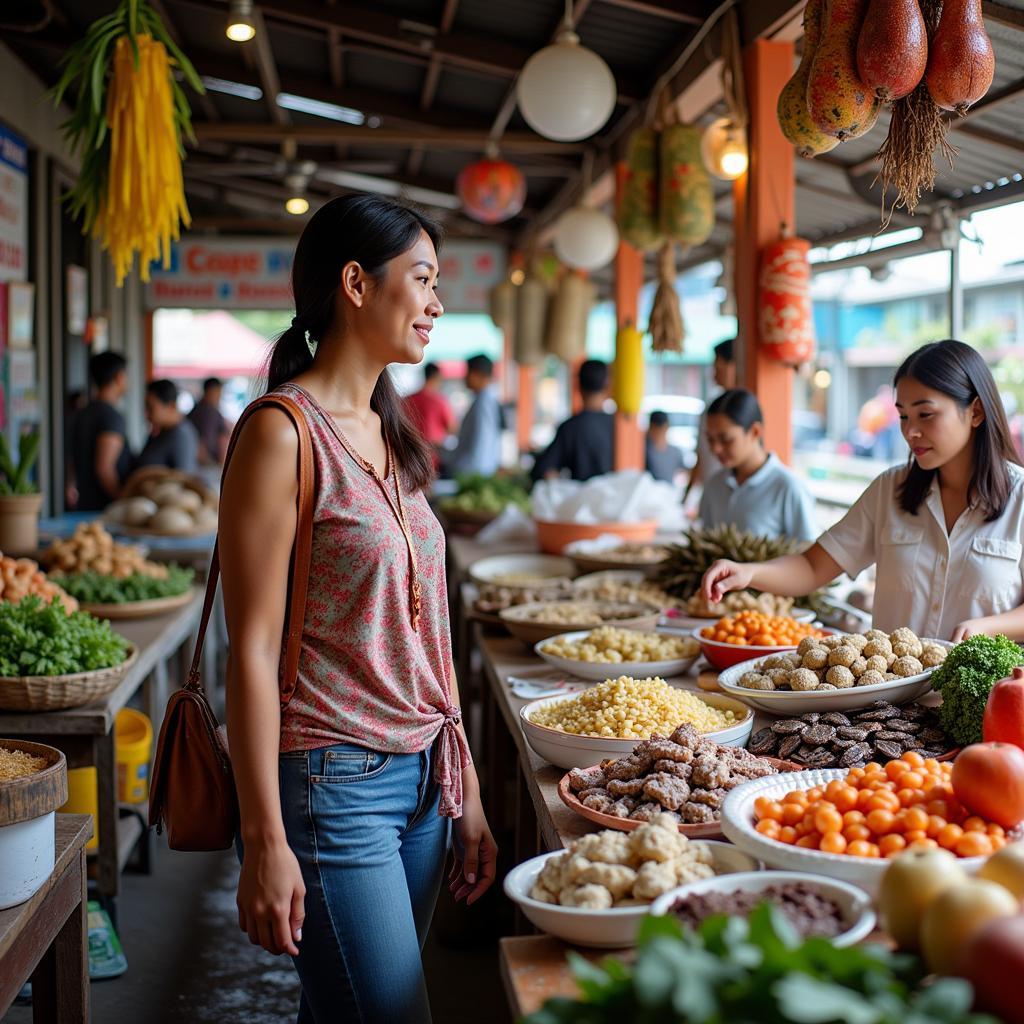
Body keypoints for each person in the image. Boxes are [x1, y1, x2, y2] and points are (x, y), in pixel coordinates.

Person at [218, 194, 496, 1024]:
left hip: (420, 788)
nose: (438, 304)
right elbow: (250, 650)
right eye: (423, 279)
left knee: (345, 1012)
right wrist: (265, 840)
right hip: (332, 787)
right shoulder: (281, 432)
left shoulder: (391, 432)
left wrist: (466, 786)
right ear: (355, 284)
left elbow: (428, 636)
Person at [701, 340, 1024, 642]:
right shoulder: (890, 490)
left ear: (976, 412)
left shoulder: (1020, 498)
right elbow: (812, 568)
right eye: (903, 416)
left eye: (926, 414)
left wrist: (986, 627)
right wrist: (747, 572)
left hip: (987, 699)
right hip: (892, 696)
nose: (910, 431)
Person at [698, 389, 819, 541]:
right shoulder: (714, 484)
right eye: (710, 439)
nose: (716, 448)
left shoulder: (788, 487)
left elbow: (809, 554)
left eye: (726, 439)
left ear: (755, 432)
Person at [530, 359, 614, 481]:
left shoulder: (570, 428)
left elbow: (542, 470)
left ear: (577, 386)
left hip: (580, 499)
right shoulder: (619, 428)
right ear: (608, 386)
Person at [69, 351, 132, 511]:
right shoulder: (111, 417)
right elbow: (104, 469)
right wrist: (124, 501)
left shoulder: (83, 412)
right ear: (119, 377)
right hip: (104, 509)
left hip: (84, 503)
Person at [682, 337, 737, 505]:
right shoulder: (710, 409)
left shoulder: (743, 413)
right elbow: (701, 456)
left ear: (732, 366)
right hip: (712, 495)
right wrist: (686, 497)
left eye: (717, 365)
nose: (713, 372)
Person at [446, 353, 502, 477]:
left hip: (473, 474)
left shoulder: (483, 402)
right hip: (475, 473)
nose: (465, 378)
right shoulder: (484, 399)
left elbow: (481, 443)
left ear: (478, 375)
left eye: (468, 373)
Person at [135, 379, 200, 472]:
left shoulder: (181, 435)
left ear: (171, 406)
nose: (146, 414)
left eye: (150, 408)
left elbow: (184, 478)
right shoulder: (161, 431)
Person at [403, 362, 454, 469]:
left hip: (408, 456)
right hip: (432, 458)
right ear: (436, 378)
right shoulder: (440, 401)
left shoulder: (407, 400)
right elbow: (452, 428)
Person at [188, 376, 231, 466]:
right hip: (208, 464)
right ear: (209, 391)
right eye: (217, 392)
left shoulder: (195, 410)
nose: (219, 396)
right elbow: (207, 442)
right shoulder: (209, 412)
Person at [645, 410, 687, 483]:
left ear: (667, 427)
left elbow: (684, 472)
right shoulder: (645, 450)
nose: (658, 433)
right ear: (650, 428)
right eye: (655, 429)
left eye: (661, 429)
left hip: (667, 491)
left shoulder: (675, 452)